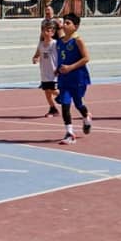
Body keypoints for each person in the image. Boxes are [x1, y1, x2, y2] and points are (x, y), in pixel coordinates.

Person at [55, 13, 93, 144]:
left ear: (75, 26)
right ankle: (69, 133)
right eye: (64, 22)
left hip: (78, 78)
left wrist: (70, 67)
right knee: (65, 105)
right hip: (64, 78)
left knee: (79, 104)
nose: (65, 25)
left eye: (68, 23)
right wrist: (58, 69)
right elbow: (61, 57)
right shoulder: (60, 42)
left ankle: (86, 117)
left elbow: (86, 58)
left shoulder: (78, 40)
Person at [32, 21, 60, 118]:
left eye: (49, 30)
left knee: (53, 90)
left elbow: (61, 56)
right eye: (44, 30)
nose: (46, 32)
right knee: (47, 92)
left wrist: (59, 68)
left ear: (53, 32)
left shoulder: (55, 44)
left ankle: (65, 96)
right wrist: (35, 59)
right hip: (44, 72)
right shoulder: (41, 44)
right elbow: (36, 55)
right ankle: (53, 109)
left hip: (54, 72)